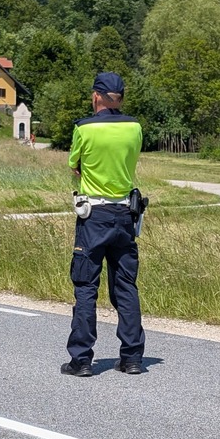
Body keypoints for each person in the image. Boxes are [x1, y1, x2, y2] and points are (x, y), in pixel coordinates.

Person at [62, 71, 146, 377]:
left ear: (96, 96)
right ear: (120, 97)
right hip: (125, 214)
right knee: (125, 285)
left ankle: (81, 359)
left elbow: (74, 166)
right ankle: (132, 357)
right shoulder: (134, 127)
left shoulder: (84, 128)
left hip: (93, 216)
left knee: (86, 286)